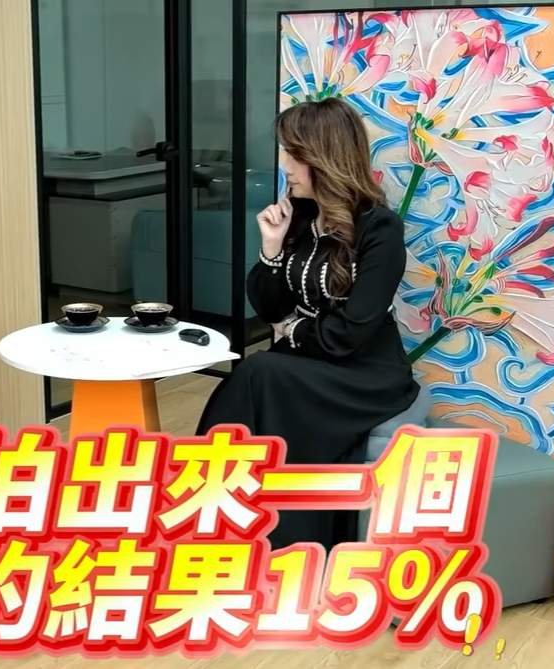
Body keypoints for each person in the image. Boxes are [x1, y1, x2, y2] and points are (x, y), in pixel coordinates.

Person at [195, 97, 420, 552]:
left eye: (294, 154)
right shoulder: (297, 218)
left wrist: (293, 330)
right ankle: (225, 515)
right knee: (260, 375)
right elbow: (269, 307)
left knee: (259, 371)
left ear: (325, 157)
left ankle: (215, 510)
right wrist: (272, 248)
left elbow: (352, 332)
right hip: (307, 363)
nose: (285, 166)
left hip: (365, 374)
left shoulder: (380, 230)